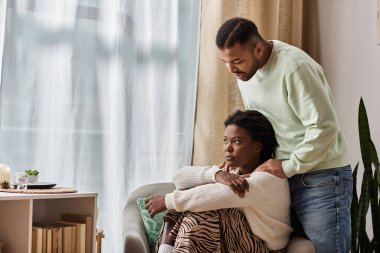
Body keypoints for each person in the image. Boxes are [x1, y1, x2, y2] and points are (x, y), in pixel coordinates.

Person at [215, 17, 353, 253]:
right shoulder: (245, 76)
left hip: (321, 178)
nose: (231, 69)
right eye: (225, 62)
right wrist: (238, 159)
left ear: (258, 48)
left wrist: (290, 165)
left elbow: (324, 128)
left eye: (237, 61)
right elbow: (258, 127)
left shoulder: (295, 67)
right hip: (281, 178)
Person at [145, 110, 293, 253]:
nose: (227, 148)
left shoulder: (268, 178)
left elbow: (216, 196)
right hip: (239, 239)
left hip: (263, 248)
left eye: (236, 142)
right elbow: (179, 178)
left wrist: (167, 200)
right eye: (225, 141)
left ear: (257, 147)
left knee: (201, 209)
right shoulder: (232, 172)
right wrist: (217, 174)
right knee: (190, 194)